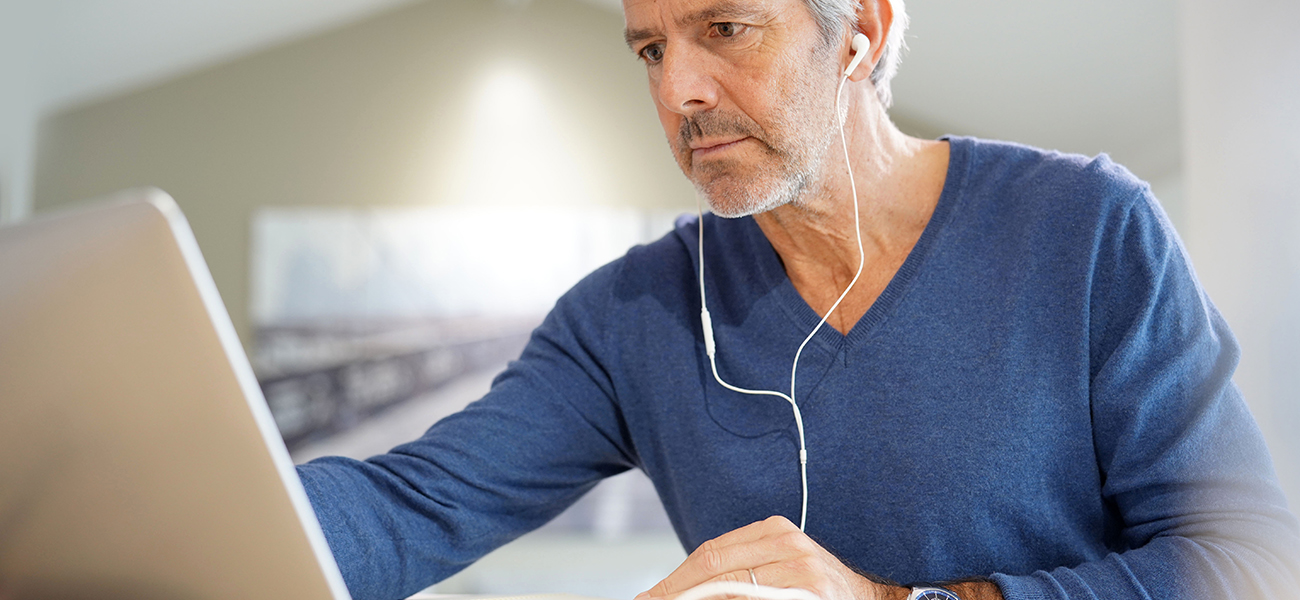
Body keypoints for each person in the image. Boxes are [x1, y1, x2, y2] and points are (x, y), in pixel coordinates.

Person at [295, 0, 1300, 598]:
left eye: (724, 27)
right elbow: (403, 507)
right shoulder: (627, 319)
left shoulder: (1083, 229)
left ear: (860, 28)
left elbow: (1248, 563)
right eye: (649, 49)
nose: (677, 89)